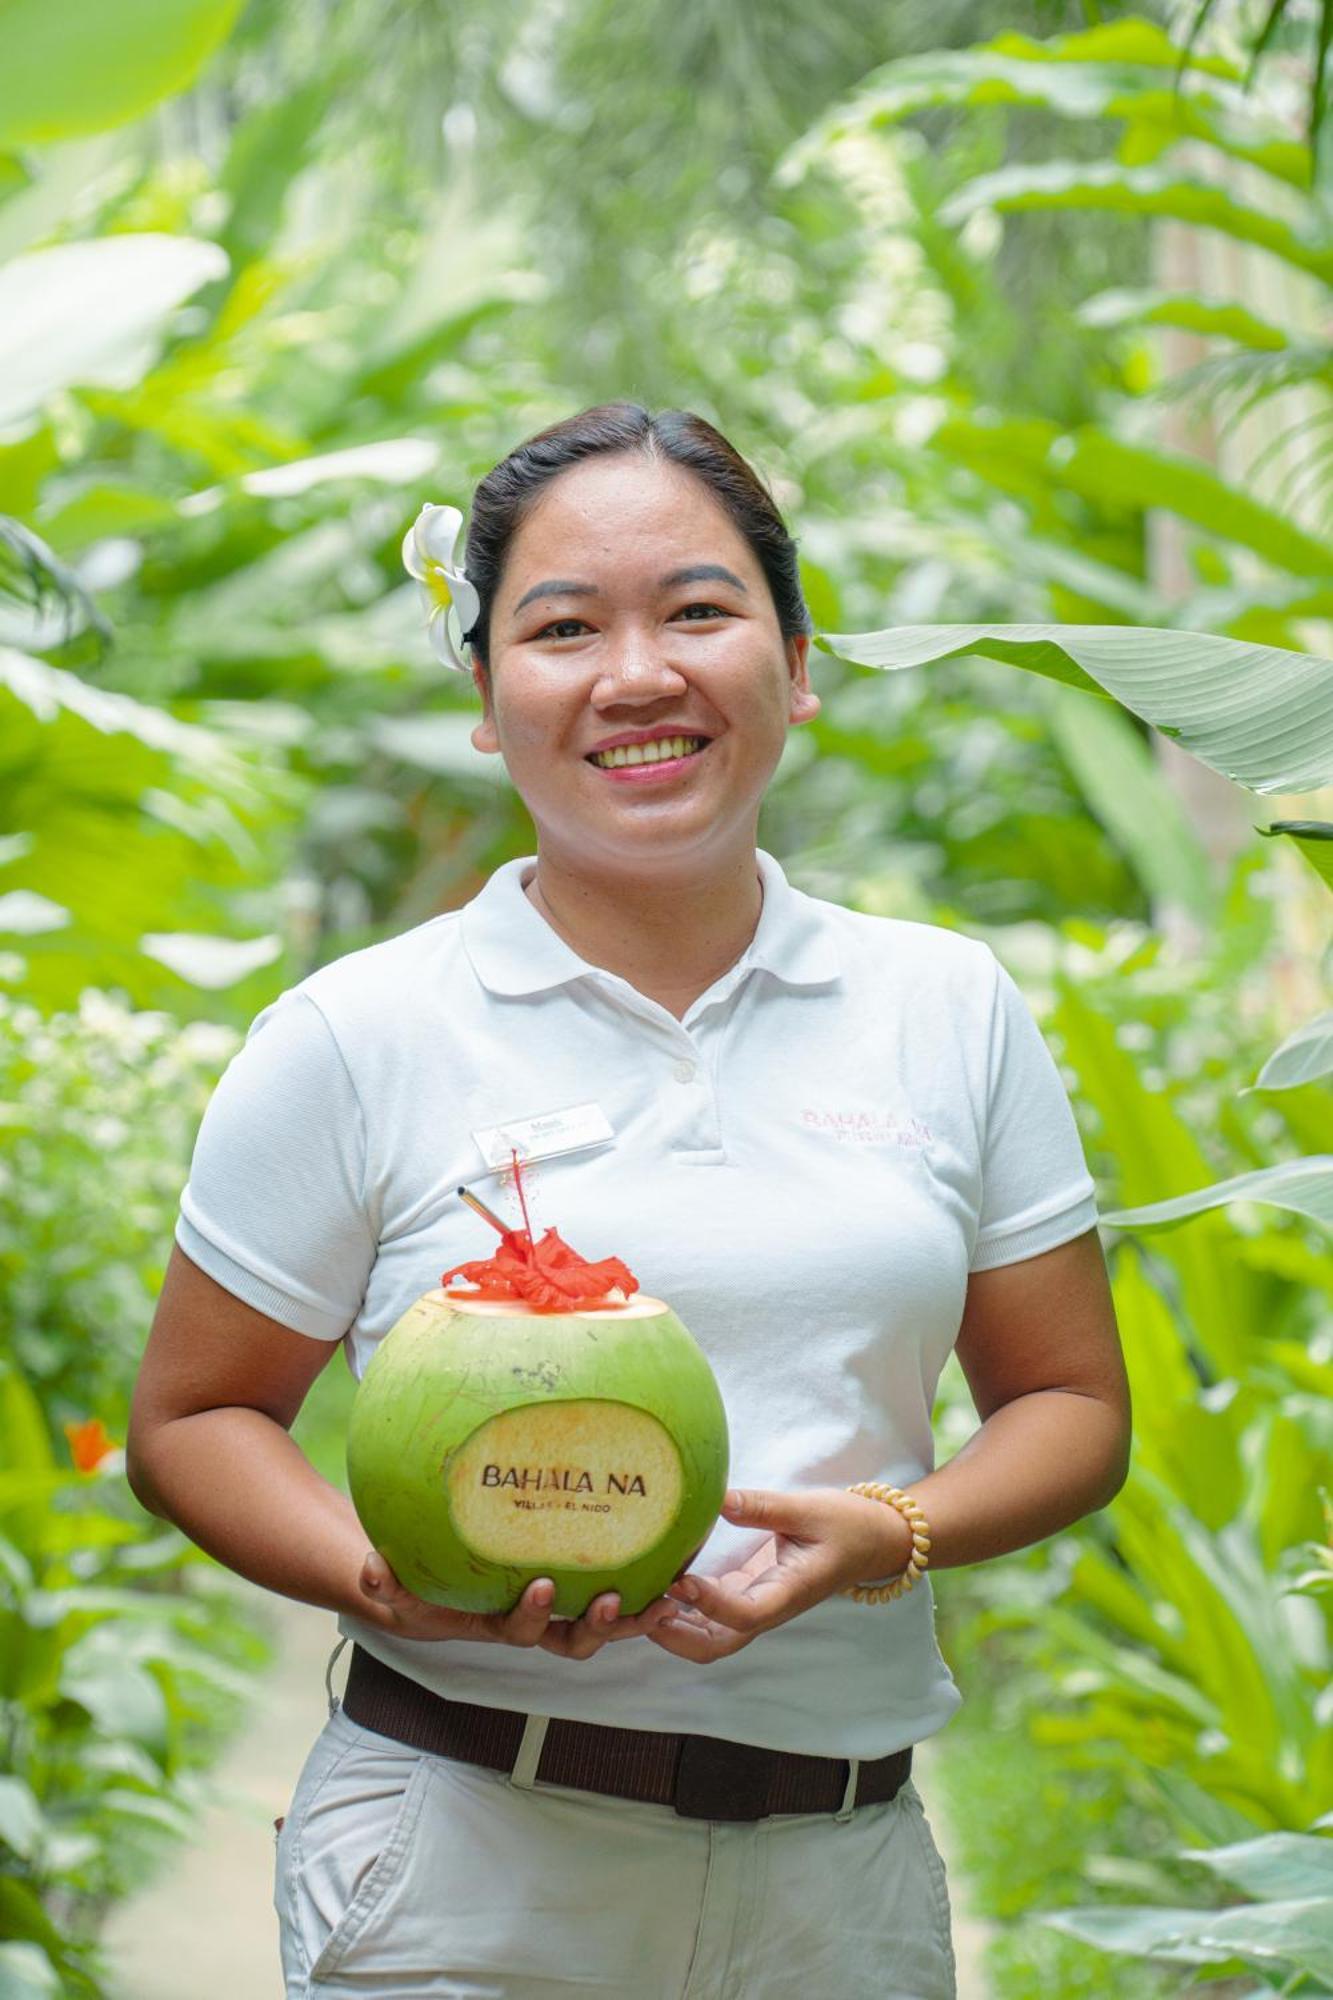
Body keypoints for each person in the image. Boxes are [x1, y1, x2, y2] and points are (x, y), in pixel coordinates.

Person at [126, 402, 1132, 1999]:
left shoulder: (945, 1005)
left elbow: (1071, 1403)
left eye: (699, 609)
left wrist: (891, 1528)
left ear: (794, 664)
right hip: (461, 1865)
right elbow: (193, 1423)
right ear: (485, 696)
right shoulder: (356, 1034)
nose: (636, 673)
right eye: (561, 627)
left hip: (840, 1880)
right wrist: (377, 1578)